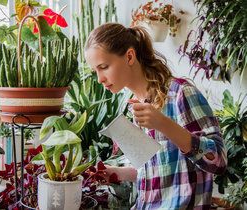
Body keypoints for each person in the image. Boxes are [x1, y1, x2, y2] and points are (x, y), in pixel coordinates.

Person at [84, 23, 227, 210]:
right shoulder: (133, 106)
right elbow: (155, 170)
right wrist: (115, 173)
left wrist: (163, 124)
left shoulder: (181, 94)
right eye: (95, 71)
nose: (100, 78)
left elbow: (219, 161)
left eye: (104, 67)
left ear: (129, 56)